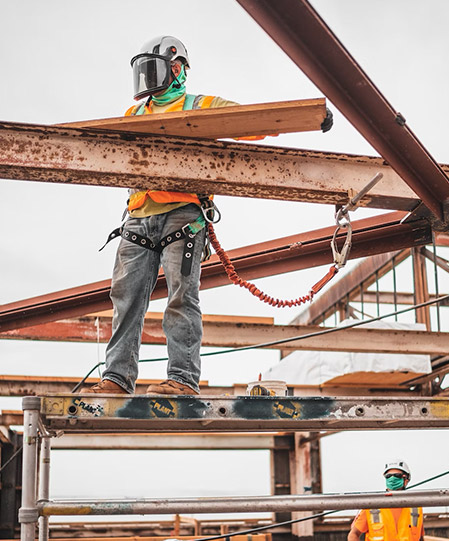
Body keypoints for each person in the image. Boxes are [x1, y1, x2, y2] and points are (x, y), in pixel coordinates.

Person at [86, 35, 332, 397]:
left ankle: (183, 379)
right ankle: (117, 379)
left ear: (176, 68)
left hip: (182, 218)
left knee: (182, 297)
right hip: (138, 218)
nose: (147, 80)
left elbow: (251, 122)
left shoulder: (201, 106)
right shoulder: (134, 114)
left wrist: (308, 117)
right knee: (126, 298)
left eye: (152, 70)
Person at [347, 460, 424, 541]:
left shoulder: (416, 509)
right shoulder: (372, 507)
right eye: (388, 476)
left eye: (397, 475)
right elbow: (353, 535)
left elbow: (420, 537)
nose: (392, 478)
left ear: (406, 479)